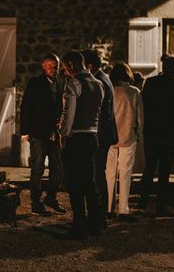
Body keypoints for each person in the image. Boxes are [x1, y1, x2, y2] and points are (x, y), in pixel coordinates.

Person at [58, 50, 104, 240]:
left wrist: (63, 134)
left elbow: (69, 113)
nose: (65, 72)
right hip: (93, 136)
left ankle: (79, 226)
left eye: (65, 68)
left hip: (77, 137)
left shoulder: (75, 83)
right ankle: (95, 224)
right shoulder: (98, 84)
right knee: (89, 183)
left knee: (75, 184)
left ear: (71, 64)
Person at [140, 55, 174, 215]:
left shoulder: (151, 83)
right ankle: (161, 204)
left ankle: (142, 201)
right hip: (170, 134)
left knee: (149, 168)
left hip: (153, 132)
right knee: (164, 171)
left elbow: (144, 108)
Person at [20, 53, 66, 216]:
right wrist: (24, 131)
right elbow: (26, 107)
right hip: (38, 132)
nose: (53, 69)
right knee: (38, 168)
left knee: (58, 168)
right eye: (50, 66)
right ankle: (36, 202)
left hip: (55, 133)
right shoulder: (35, 83)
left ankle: (51, 198)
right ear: (43, 66)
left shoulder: (62, 82)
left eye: (56, 66)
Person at [82, 49, 118, 230]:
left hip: (101, 136)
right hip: (104, 135)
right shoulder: (104, 78)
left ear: (89, 66)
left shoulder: (100, 82)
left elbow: (102, 114)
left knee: (97, 175)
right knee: (98, 174)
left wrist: (94, 137)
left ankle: (99, 216)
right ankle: (99, 215)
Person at [105, 62, 143, 221]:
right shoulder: (135, 92)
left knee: (109, 174)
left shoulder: (109, 91)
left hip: (111, 137)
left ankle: (108, 207)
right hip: (128, 135)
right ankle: (123, 209)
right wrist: (139, 133)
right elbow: (140, 117)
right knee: (126, 174)